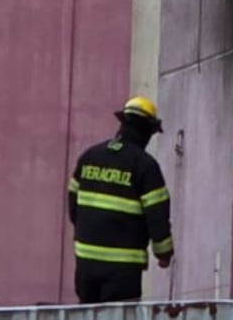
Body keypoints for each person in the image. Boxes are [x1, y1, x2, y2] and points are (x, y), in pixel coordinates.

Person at [67, 96, 175, 303]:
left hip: (86, 266)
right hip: (122, 270)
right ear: (147, 131)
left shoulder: (89, 157)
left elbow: (73, 208)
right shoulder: (145, 166)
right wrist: (164, 254)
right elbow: (157, 216)